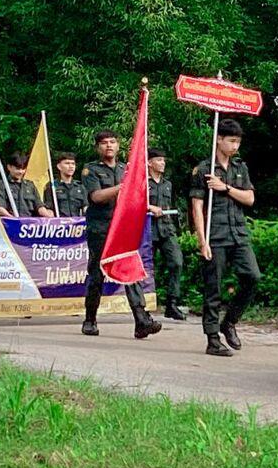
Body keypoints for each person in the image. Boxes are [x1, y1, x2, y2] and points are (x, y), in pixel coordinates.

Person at [81, 129, 161, 339]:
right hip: (101, 228)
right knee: (97, 274)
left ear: (118, 146)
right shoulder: (91, 170)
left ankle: (141, 319)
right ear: (98, 147)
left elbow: (133, 197)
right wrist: (122, 186)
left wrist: (148, 206)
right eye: (104, 142)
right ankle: (90, 319)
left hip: (122, 228)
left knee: (130, 270)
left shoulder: (125, 169)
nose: (109, 145)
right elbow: (96, 197)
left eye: (112, 142)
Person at [190, 119, 260, 357]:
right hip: (215, 234)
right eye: (231, 141)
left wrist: (225, 188)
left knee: (252, 277)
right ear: (219, 140)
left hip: (238, 233)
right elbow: (197, 206)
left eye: (238, 141)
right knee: (214, 288)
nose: (235, 146)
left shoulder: (240, 168)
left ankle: (229, 321)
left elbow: (250, 199)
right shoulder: (204, 169)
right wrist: (202, 241)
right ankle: (212, 339)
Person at [147, 148, 185, 320]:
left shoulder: (167, 184)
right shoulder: (142, 183)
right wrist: (149, 207)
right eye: (159, 160)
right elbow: (133, 202)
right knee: (148, 268)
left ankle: (172, 303)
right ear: (150, 163)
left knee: (176, 262)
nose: (162, 163)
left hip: (166, 229)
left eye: (163, 160)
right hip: (148, 230)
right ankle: (145, 305)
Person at [0, 152, 53, 217]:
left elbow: (39, 206)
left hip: (29, 221)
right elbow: (0, 208)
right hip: (10, 221)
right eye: (18, 169)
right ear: (9, 167)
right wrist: (13, 219)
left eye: (23, 169)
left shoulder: (30, 186)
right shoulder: (1, 186)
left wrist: (49, 216)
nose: (21, 172)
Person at [43, 152, 87, 216]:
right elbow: (49, 208)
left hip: (77, 221)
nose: (71, 166)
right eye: (67, 163)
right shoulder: (52, 186)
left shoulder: (80, 186)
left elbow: (85, 207)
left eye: (73, 164)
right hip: (60, 221)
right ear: (59, 166)